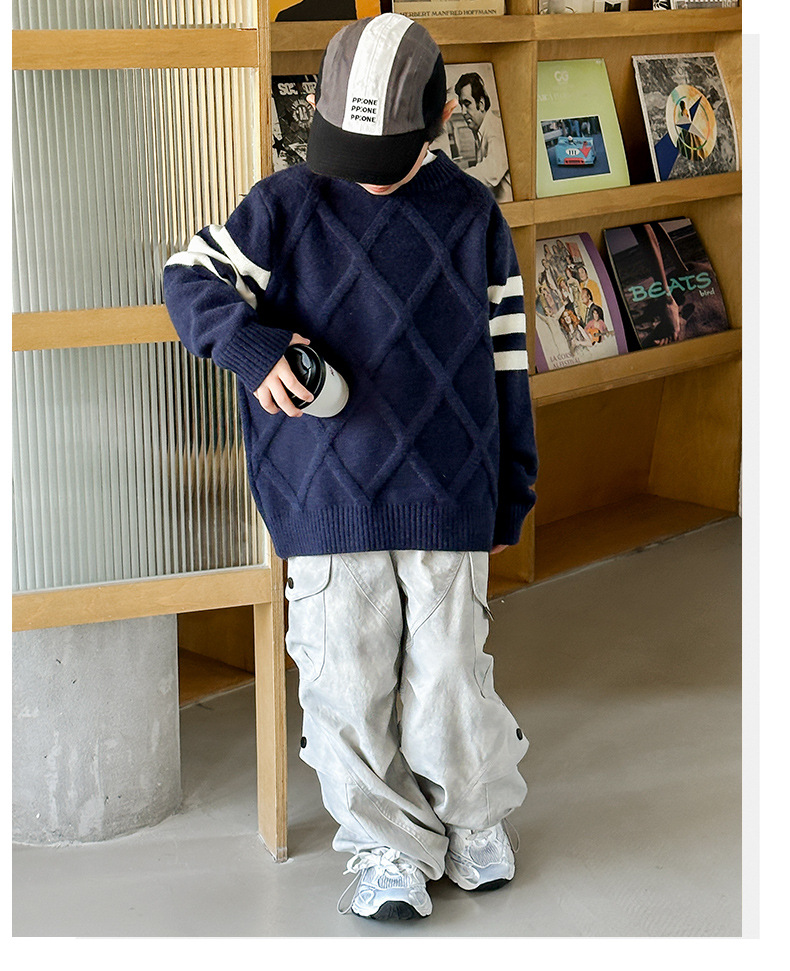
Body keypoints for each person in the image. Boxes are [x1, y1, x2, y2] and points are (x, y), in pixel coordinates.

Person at [163, 12, 537, 923]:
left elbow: (506, 361)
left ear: (439, 119)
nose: (364, 172)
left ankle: (474, 816)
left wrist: (512, 488)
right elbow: (186, 276)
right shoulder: (285, 205)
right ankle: (386, 843)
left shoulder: (473, 215)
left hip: (448, 490)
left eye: (385, 154)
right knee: (344, 679)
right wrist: (253, 350)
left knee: (452, 673)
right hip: (325, 497)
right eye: (347, 148)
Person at [452, 71, 512, 203]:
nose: (463, 112)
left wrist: (454, 178)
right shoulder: (481, 130)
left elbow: (492, 171)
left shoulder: (495, 129)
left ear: (481, 104)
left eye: (467, 104)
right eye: (461, 105)